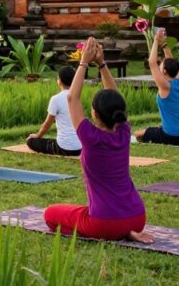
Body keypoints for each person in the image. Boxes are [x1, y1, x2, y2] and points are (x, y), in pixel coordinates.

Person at [44, 38, 152, 243]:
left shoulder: (90, 136)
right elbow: (114, 96)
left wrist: (84, 62)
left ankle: (113, 231)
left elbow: (72, 98)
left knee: (50, 214)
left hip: (104, 222)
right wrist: (101, 64)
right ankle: (124, 231)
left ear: (94, 113)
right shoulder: (123, 132)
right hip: (137, 218)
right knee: (80, 211)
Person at [135, 29, 179, 147]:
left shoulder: (165, 86)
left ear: (164, 71)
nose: (159, 65)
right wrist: (163, 44)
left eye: (161, 65)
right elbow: (172, 61)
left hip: (171, 135)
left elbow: (152, 62)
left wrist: (155, 41)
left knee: (138, 134)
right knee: (153, 129)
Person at [26, 65, 82, 156]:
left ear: (59, 81)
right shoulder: (77, 97)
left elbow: (48, 123)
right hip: (80, 147)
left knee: (30, 141)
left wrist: (38, 135)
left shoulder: (56, 99)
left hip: (64, 148)